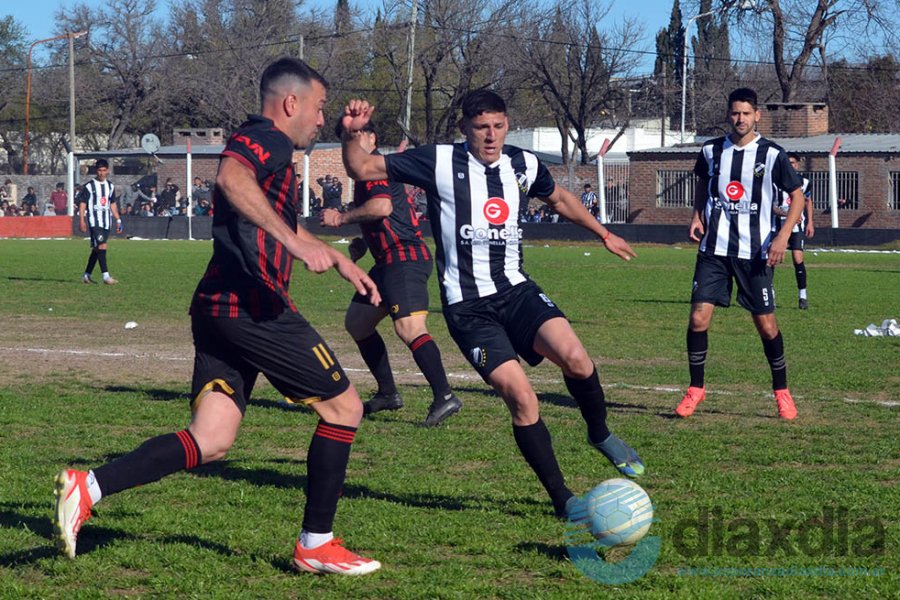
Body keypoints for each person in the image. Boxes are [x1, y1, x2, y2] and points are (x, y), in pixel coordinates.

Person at [54, 57, 383, 576]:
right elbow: (230, 178)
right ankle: (316, 544)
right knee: (344, 410)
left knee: (210, 440)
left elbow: (270, 214)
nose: (322, 119)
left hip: (217, 305)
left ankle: (87, 486)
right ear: (290, 103)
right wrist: (293, 248)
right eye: (319, 109)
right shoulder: (266, 139)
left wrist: (336, 256)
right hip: (253, 306)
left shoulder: (272, 149)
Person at [340, 90, 644, 521]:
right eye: (482, 127)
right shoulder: (439, 161)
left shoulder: (523, 163)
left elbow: (558, 198)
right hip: (468, 308)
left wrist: (603, 233)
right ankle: (564, 500)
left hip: (516, 290)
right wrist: (353, 132)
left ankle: (600, 433)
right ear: (465, 127)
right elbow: (363, 166)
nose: (491, 136)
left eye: (499, 126)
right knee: (522, 398)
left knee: (576, 359)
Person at [320, 121, 462, 427]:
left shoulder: (375, 168)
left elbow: (382, 206)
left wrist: (342, 218)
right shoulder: (364, 174)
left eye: (357, 137)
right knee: (358, 324)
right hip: (387, 259)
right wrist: (364, 242)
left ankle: (445, 396)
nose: (352, 145)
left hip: (405, 257)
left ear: (372, 138)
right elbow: (387, 213)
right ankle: (388, 394)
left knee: (410, 328)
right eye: (347, 140)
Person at [676, 88, 805, 421]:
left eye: (746, 113)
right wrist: (696, 214)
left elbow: (798, 197)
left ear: (757, 115)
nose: (740, 119)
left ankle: (782, 392)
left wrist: (782, 237)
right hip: (714, 251)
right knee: (698, 318)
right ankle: (695, 389)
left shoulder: (773, 154)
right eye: (735, 113)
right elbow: (703, 184)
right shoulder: (710, 151)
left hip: (757, 252)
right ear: (728, 115)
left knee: (766, 326)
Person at [773, 153, 815, 309]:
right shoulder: (774, 182)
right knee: (772, 259)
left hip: (797, 227)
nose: (791, 166)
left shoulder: (804, 183)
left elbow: (808, 201)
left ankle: (802, 296)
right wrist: (788, 214)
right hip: (776, 226)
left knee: (798, 258)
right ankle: (770, 295)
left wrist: (810, 222)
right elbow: (770, 207)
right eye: (788, 163)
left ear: (797, 165)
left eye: (793, 163)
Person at [77, 158, 123, 285]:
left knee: (97, 249)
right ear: (96, 171)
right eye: (99, 170)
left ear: (107, 171)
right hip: (94, 222)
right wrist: (82, 220)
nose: (101, 173)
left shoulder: (110, 186)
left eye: (104, 170)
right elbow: (82, 204)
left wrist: (118, 220)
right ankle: (106, 277)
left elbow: (112, 204)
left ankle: (86, 275)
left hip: (106, 222)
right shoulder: (89, 186)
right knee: (102, 246)